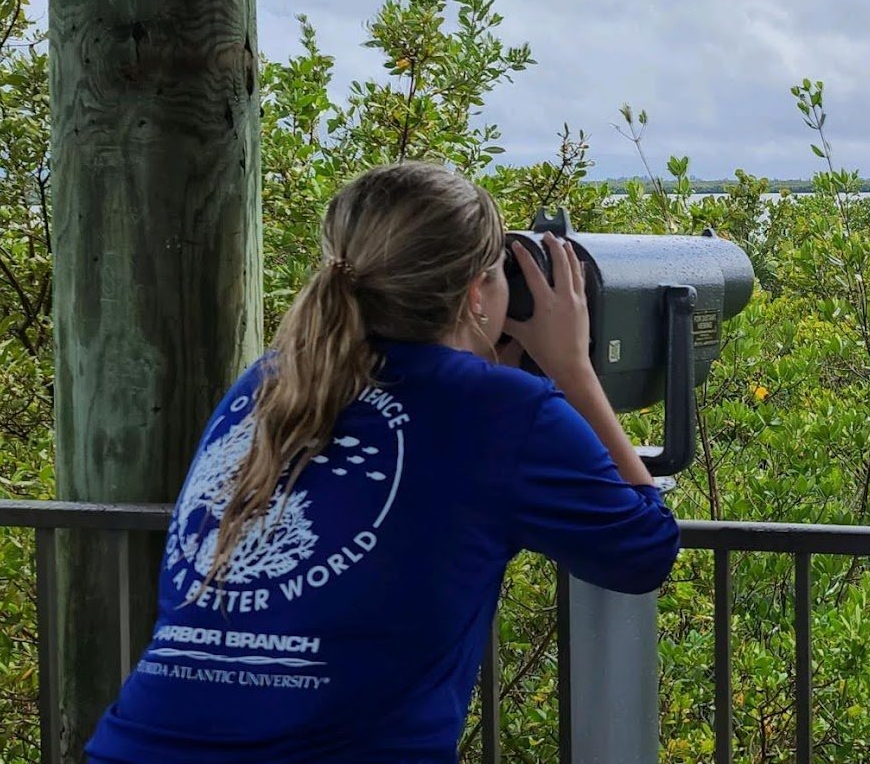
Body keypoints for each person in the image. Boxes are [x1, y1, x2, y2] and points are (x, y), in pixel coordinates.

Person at [87, 161, 680, 763]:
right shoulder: (503, 410)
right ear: (477, 291)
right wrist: (572, 371)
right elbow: (643, 550)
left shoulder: (265, 383)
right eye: (502, 273)